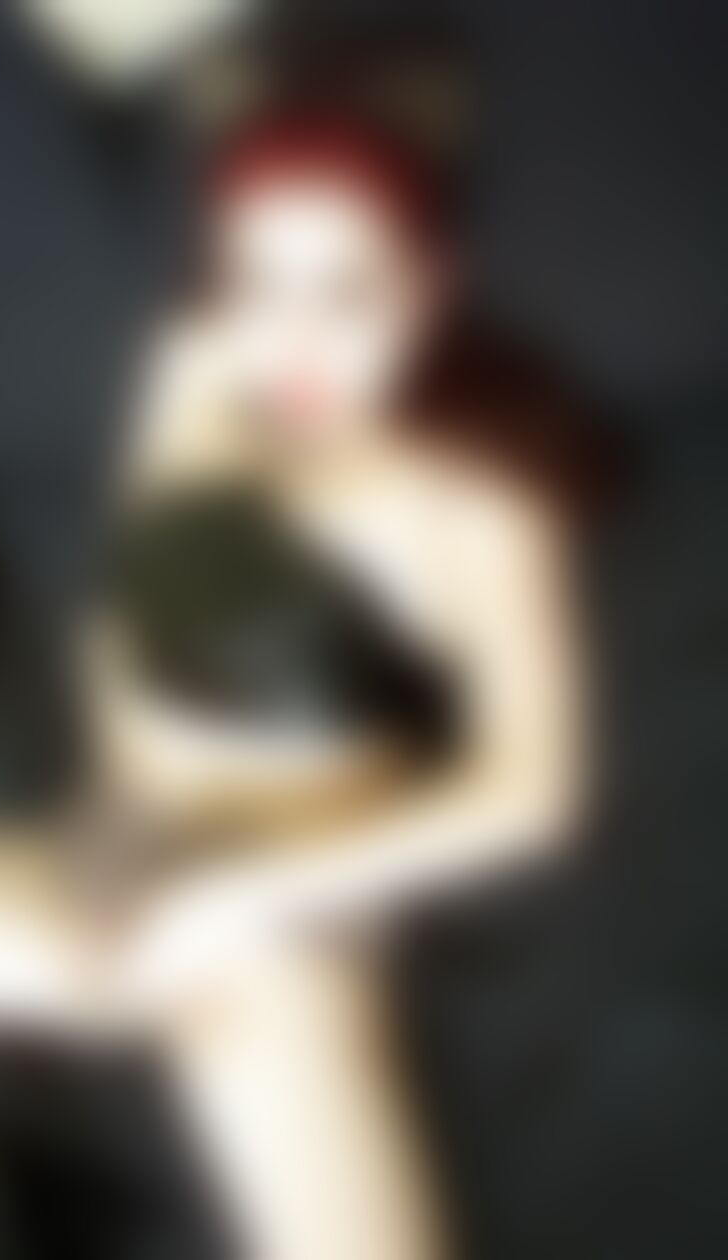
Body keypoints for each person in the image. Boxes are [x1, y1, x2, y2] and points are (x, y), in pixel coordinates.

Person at [82, 102, 597, 1260]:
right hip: (128, 859)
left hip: (289, 917)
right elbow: (124, 646)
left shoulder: (480, 494)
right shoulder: (198, 383)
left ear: (427, 291)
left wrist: (240, 897)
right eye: (258, 286)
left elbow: (538, 797)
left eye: (346, 293)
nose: (296, 343)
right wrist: (125, 836)